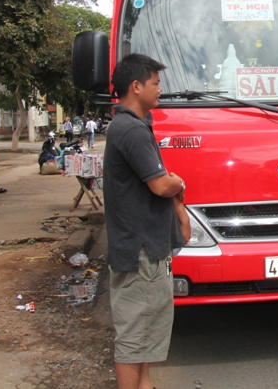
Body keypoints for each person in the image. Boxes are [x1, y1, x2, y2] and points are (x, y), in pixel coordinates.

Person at [103, 53, 191, 389]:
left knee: (146, 329)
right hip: (138, 250)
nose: (160, 89)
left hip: (147, 246)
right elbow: (161, 184)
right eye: (155, 83)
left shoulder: (135, 125)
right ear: (136, 87)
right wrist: (178, 182)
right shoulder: (130, 129)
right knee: (133, 334)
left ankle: (145, 385)